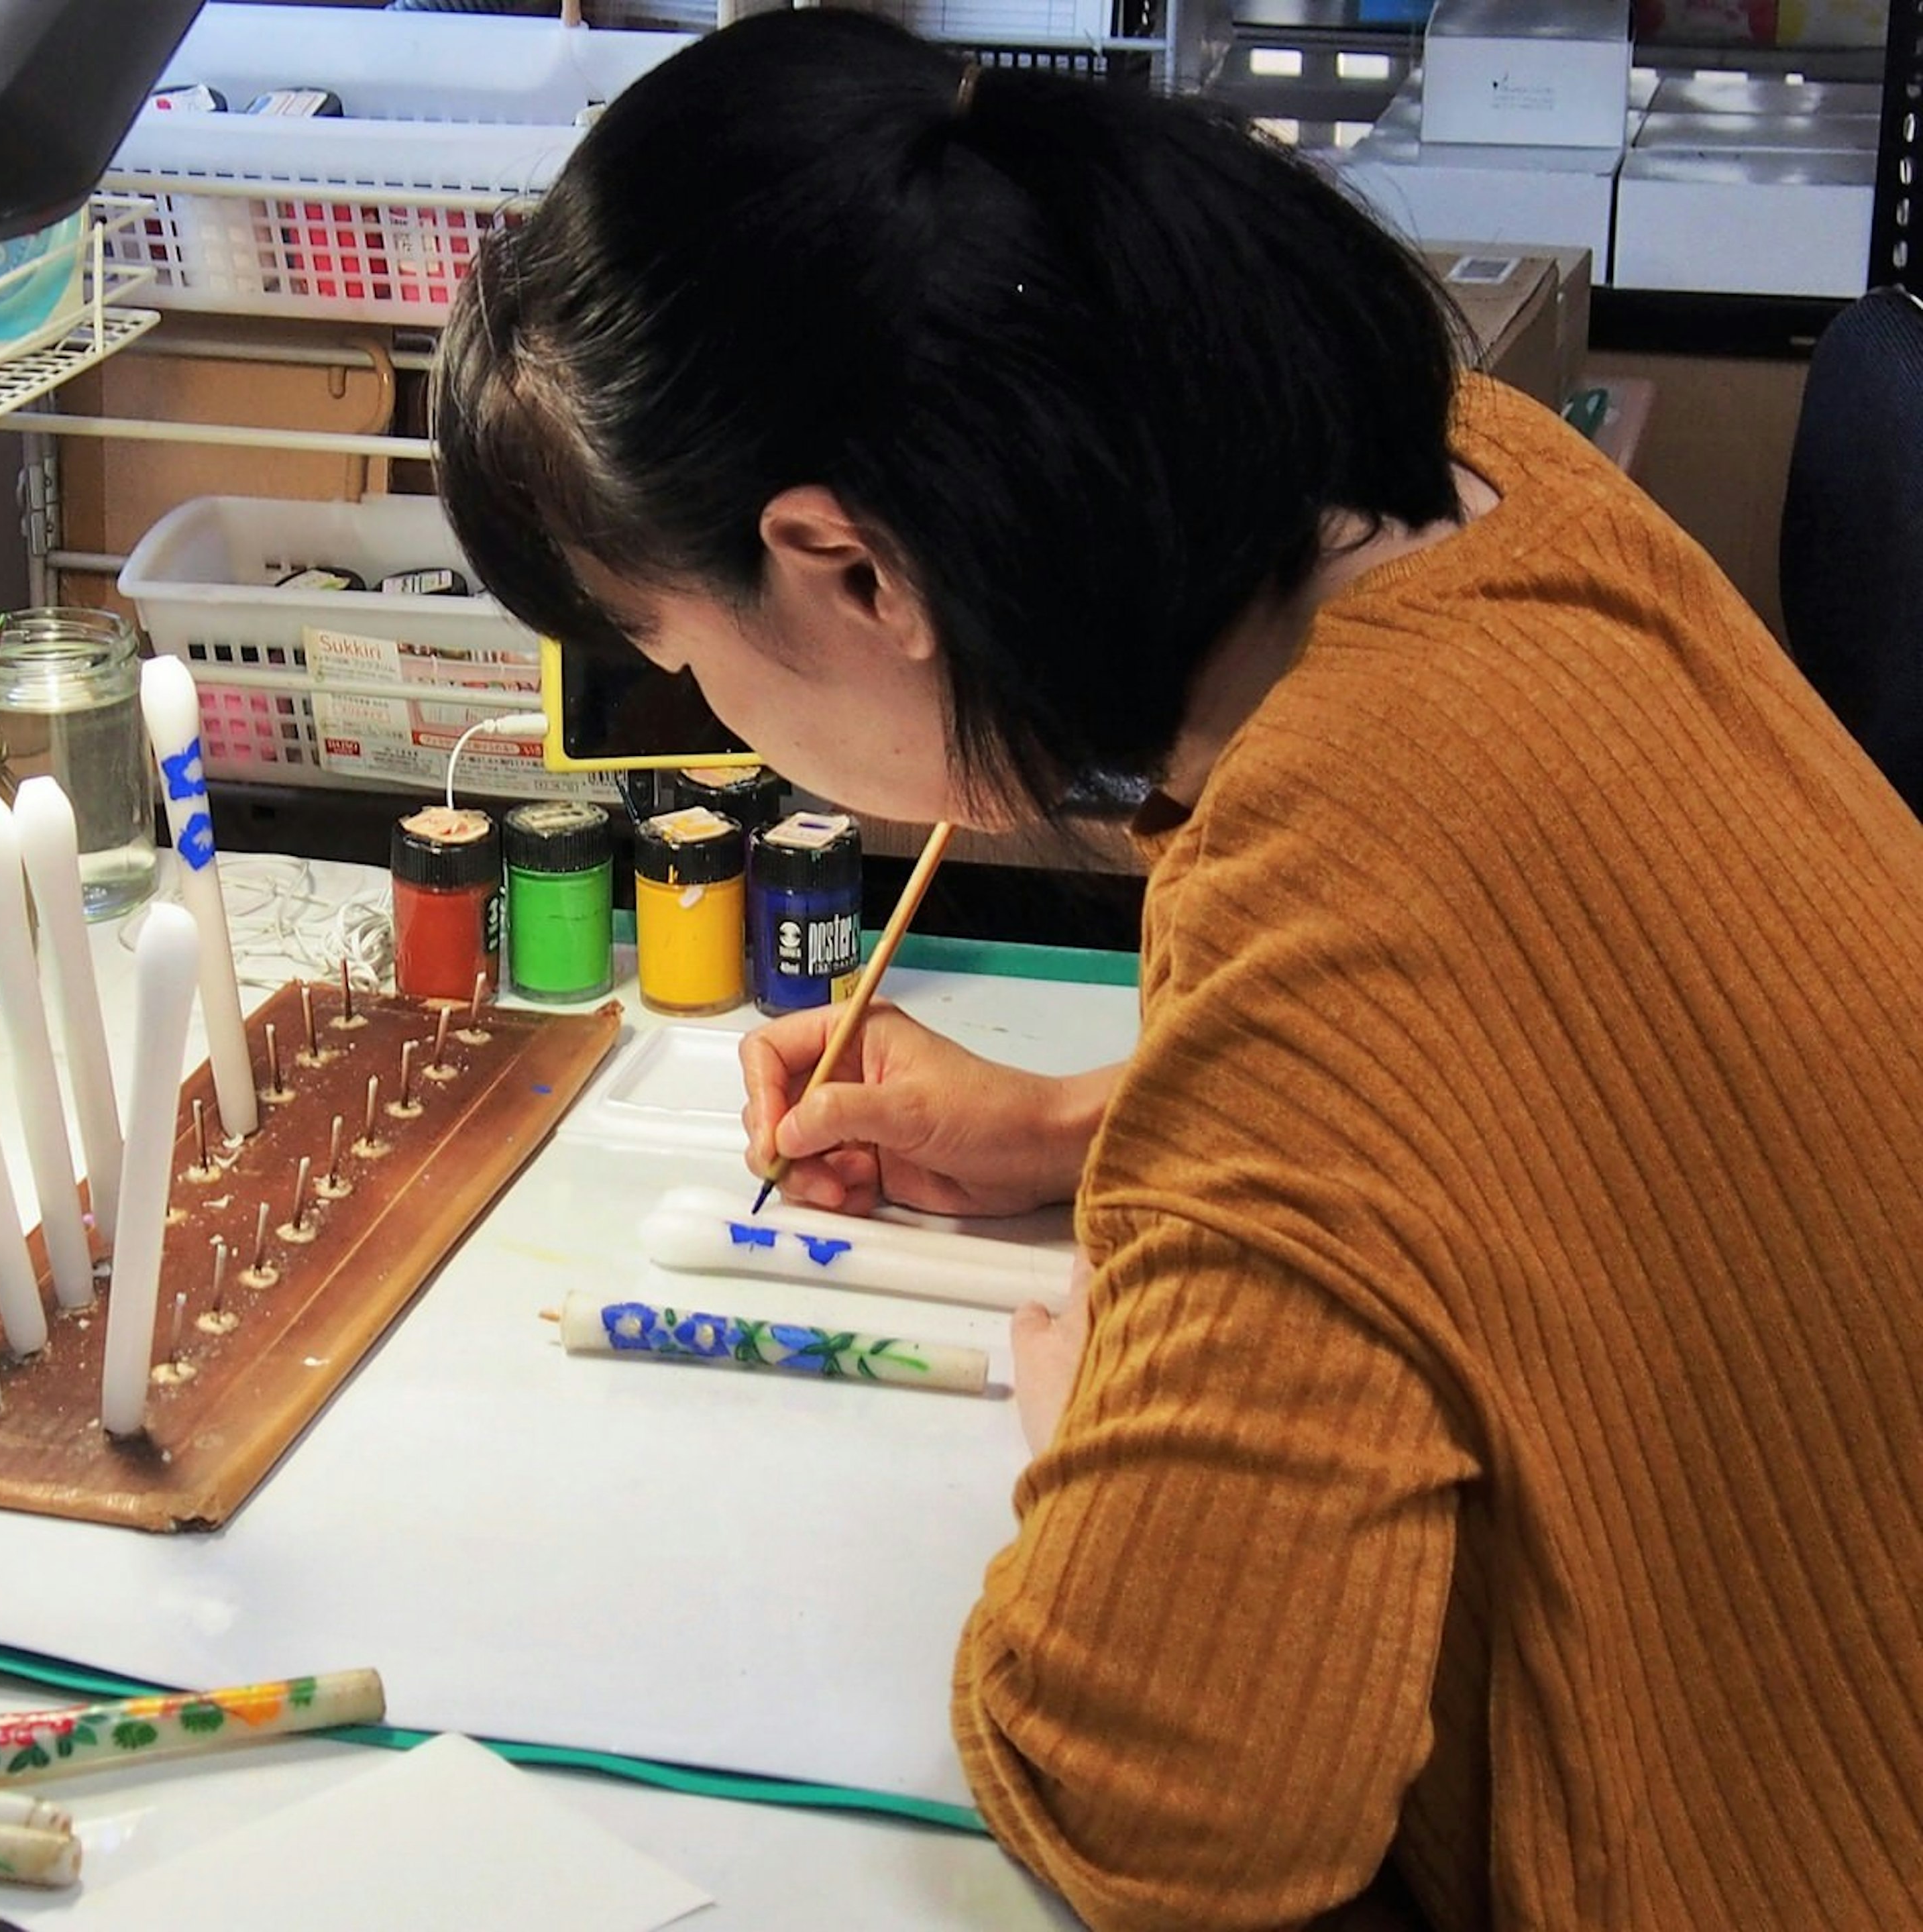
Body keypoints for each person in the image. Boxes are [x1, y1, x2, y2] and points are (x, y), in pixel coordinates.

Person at [431, 11, 1923, 1930]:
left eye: (677, 653)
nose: (708, 722)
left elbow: (1175, 1815)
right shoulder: (1482, 484)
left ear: (853, 572)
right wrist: (1098, 1122)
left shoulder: (1337, 850)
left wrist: (1105, 1439)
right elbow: (1549, 1082)